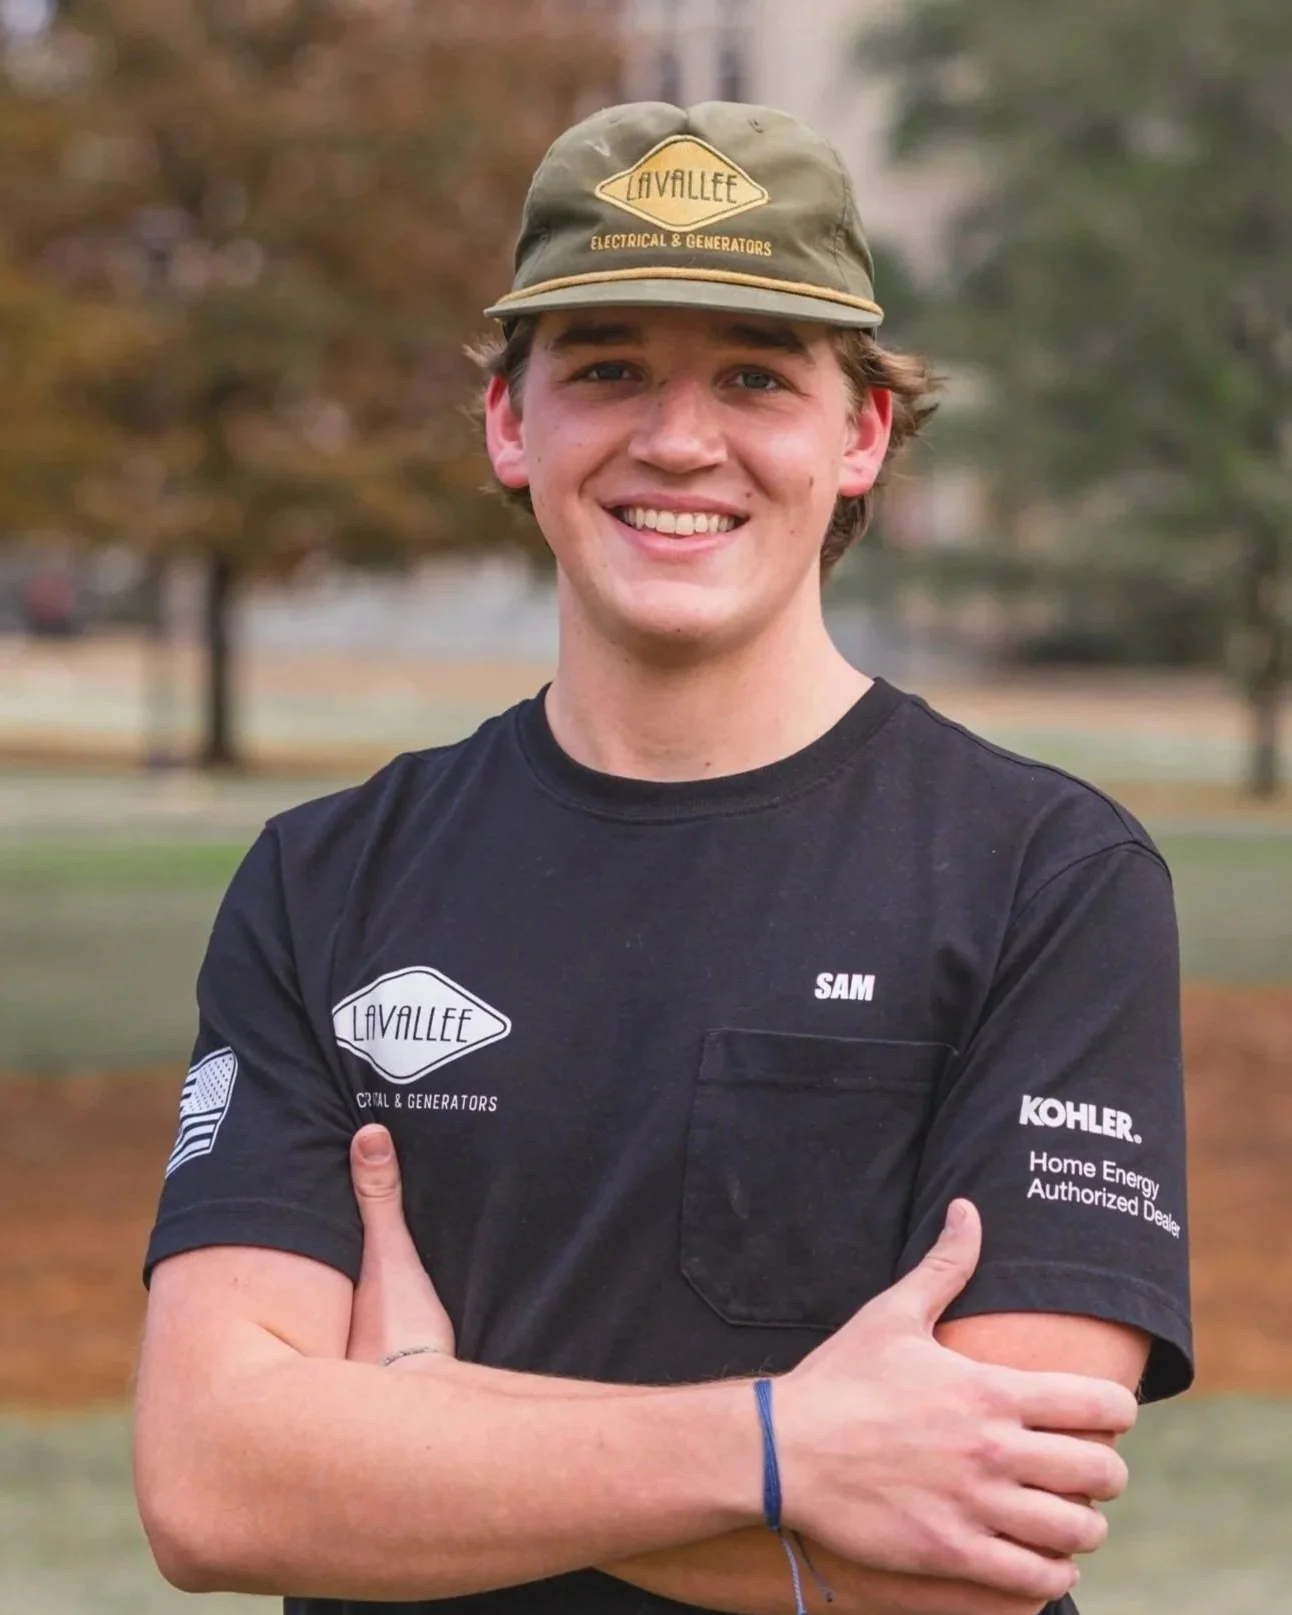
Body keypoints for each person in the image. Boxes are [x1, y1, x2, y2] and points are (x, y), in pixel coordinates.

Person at [134, 100, 1192, 1615]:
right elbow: (213, 1482)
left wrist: (421, 1420)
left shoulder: (1047, 872)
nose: (679, 438)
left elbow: (976, 1552)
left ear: (861, 435)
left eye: (756, 376)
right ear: (512, 420)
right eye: (609, 369)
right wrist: (784, 1447)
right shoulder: (325, 878)